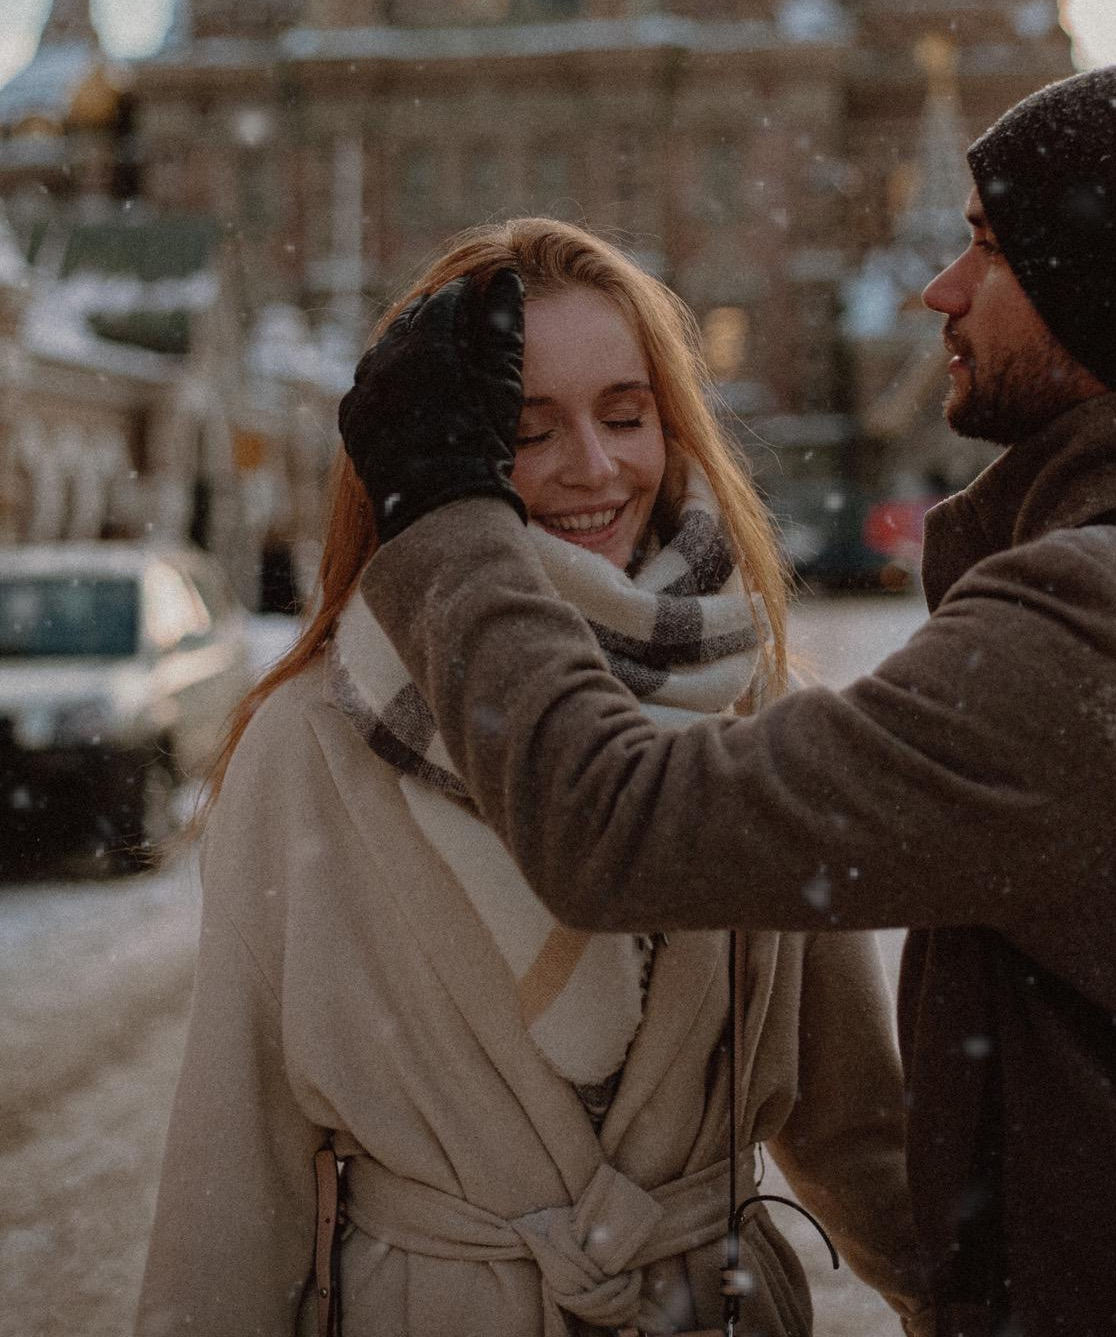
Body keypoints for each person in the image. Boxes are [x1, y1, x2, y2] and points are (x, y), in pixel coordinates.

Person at [340, 64, 1116, 1337]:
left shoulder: (1106, 627)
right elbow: (859, 1109)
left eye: (988, 250)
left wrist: (446, 515)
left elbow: (618, 829)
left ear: (1097, 288)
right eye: (530, 428)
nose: (937, 289)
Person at [137, 219, 931, 1337]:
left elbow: (856, 1124)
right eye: (525, 430)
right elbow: (236, 1162)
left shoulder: (757, 709)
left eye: (625, 414)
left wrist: (961, 1304)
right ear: (433, 457)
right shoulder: (311, 740)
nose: (593, 467)